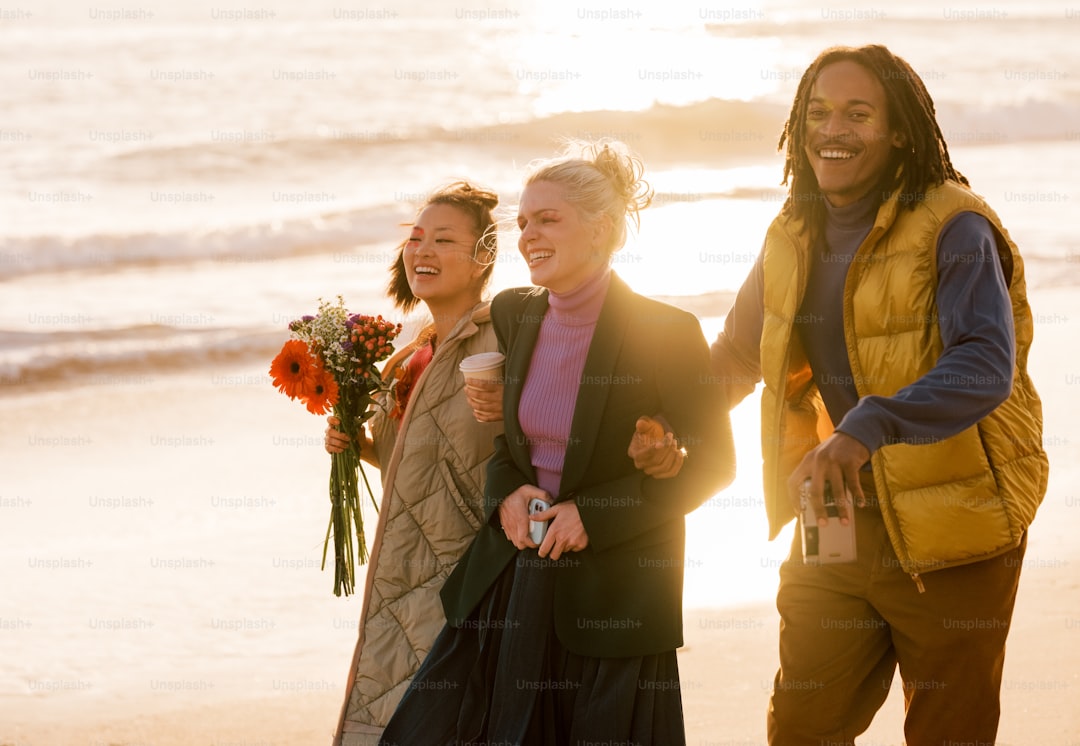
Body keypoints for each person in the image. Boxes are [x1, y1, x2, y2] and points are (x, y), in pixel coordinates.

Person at [644, 44, 1049, 744]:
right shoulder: (791, 232)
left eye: (858, 114)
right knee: (802, 724)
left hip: (954, 528)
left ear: (898, 131)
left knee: (948, 732)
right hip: (832, 518)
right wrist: (667, 421)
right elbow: (740, 353)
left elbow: (986, 363)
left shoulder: (955, 226)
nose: (833, 130)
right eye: (819, 113)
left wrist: (867, 426)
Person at [378, 140, 736, 745]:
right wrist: (509, 493)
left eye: (547, 219)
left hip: (613, 596)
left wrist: (592, 514)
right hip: (509, 580)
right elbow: (508, 448)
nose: (527, 236)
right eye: (522, 222)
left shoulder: (668, 331)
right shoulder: (517, 314)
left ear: (601, 230)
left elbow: (715, 466)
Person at [325, 180, 504, 746]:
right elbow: (413, 470)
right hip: (403, 562)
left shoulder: (503, 340)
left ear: (485, 257)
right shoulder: (406, 357)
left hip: (471, 574)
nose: (422, 251)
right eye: (416, 238)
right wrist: (359, 444)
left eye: (444, 240)